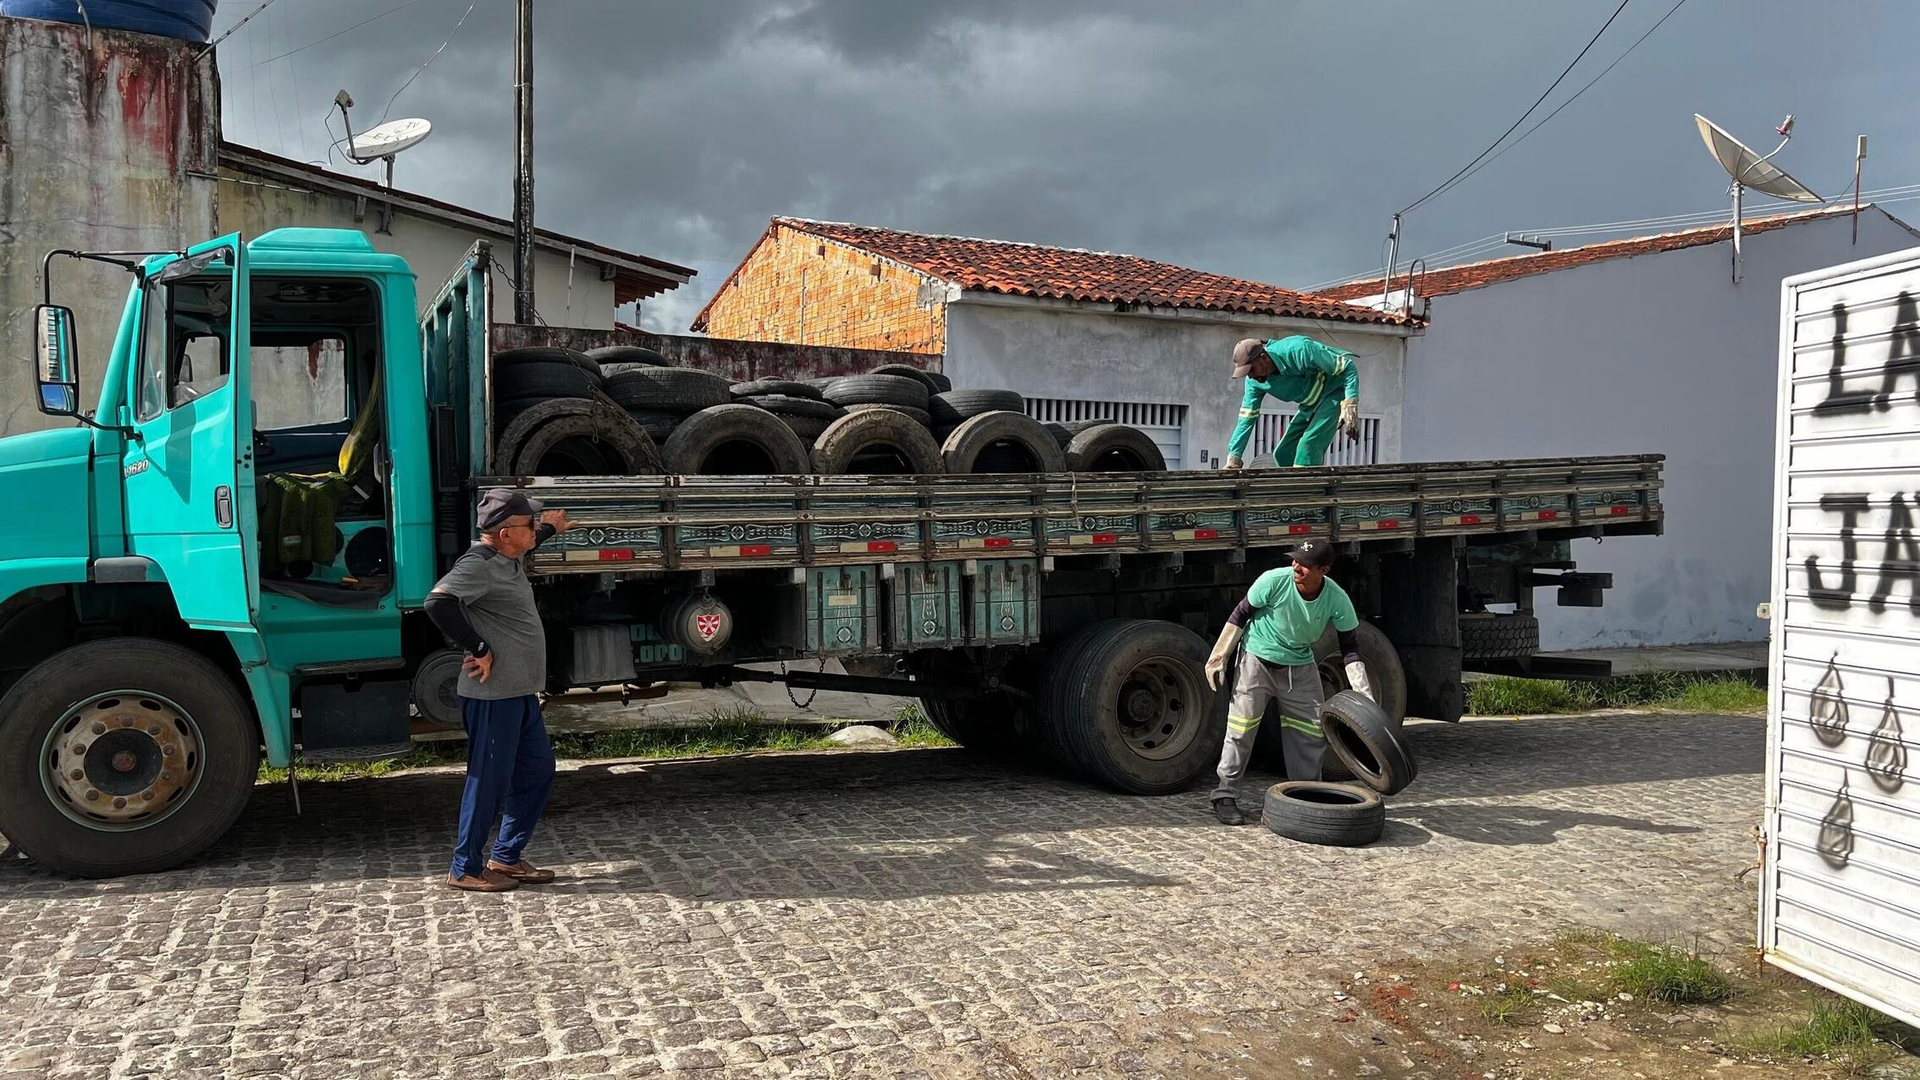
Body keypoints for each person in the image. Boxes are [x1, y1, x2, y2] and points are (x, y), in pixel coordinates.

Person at [424, 487, 576, 891]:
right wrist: (478, 647)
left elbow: (531, 537)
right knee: (487, 781)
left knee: (538, 770)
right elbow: (437, 603)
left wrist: (550, 528)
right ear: (506, 532)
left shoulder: (508, 554)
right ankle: (465, 868)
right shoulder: (478, 564)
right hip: (492, 697)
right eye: (529, 523)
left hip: (520, 694)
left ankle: (506, 858)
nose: (534, 529)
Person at [1202, 537, 1374, 825]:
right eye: (1295, 560)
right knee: (1241, 730)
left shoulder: (1336, 598)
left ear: (1324, 570)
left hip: (1300, 666)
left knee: (1309, 732)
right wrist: (1219, 657)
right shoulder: (1273, 581)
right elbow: (1240, 614)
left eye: (1305, 565)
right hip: (1256, 661)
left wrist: (1364, 696)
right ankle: (1225, 795)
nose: (1296, 566)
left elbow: (1351, 648)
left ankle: (1306, 798)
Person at [1222, 335, 1362, 469]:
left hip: (1335, 393)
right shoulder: (1254, 382)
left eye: (1251, 369)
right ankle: (1287, 491)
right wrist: (1234, 457)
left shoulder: (1298, 349)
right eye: (1247, 373)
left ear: (1263, 358)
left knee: (1307, 446)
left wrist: (1350, 403)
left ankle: (1306, 491)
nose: (1251, 376)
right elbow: (1246, 419)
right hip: (1309, 405)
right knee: (1283, 454)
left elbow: (1348, 367)